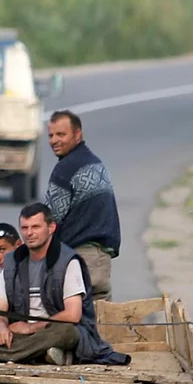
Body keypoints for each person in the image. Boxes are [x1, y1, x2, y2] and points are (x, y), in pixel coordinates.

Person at [0, 203, 131, 367]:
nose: (29, 233)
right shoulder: (13, 262)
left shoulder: (67, 261)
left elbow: (72, 314)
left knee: (66, 332)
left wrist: (31, 327)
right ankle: (42, 355)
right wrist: (1, 327)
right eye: (25, 228)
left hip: (52, 331)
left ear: (51, 228)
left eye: (36, 227)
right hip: (21, 334)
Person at [44, 109, 121, 302]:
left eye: (61, 134)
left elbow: (50, 221)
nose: (54, 140)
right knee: (102, 319)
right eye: (51, 135)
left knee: (75, 323)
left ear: (78, 134)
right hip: (101, 260)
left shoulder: (65, 169)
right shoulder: (96, 163)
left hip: (80, 259)